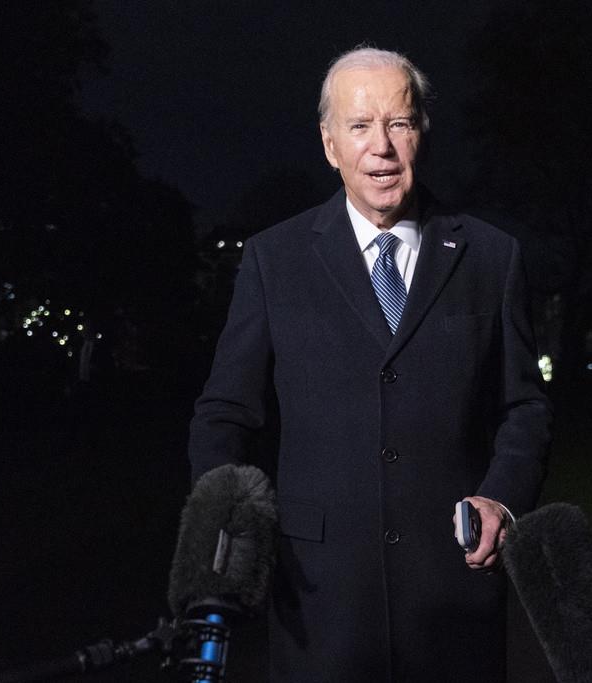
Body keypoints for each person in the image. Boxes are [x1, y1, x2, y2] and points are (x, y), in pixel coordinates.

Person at [188, 46, 552, 682]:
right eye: (359, 126)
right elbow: (225, 412)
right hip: (316, 598)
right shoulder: (275, 260)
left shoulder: (493, 257)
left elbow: (523, 407)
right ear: (330, 146)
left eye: (399, 123)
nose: (380, 147)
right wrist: (228, 520)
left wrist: (501, 498)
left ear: (422, 135)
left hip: (453, 597)